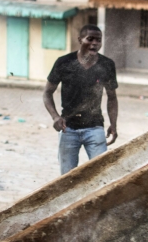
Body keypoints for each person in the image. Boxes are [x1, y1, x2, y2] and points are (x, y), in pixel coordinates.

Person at [43, 25, 119, 175]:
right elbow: (47, 93)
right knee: (67, 178)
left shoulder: (107, 65)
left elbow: (112, 98)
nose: (95, 43)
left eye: (98, 40)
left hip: (95, 128)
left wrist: (113, 125)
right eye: (90, 39)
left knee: (103, 173)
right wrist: (55, 117)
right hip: (68, 129)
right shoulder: (64, 62)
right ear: (80, 40)